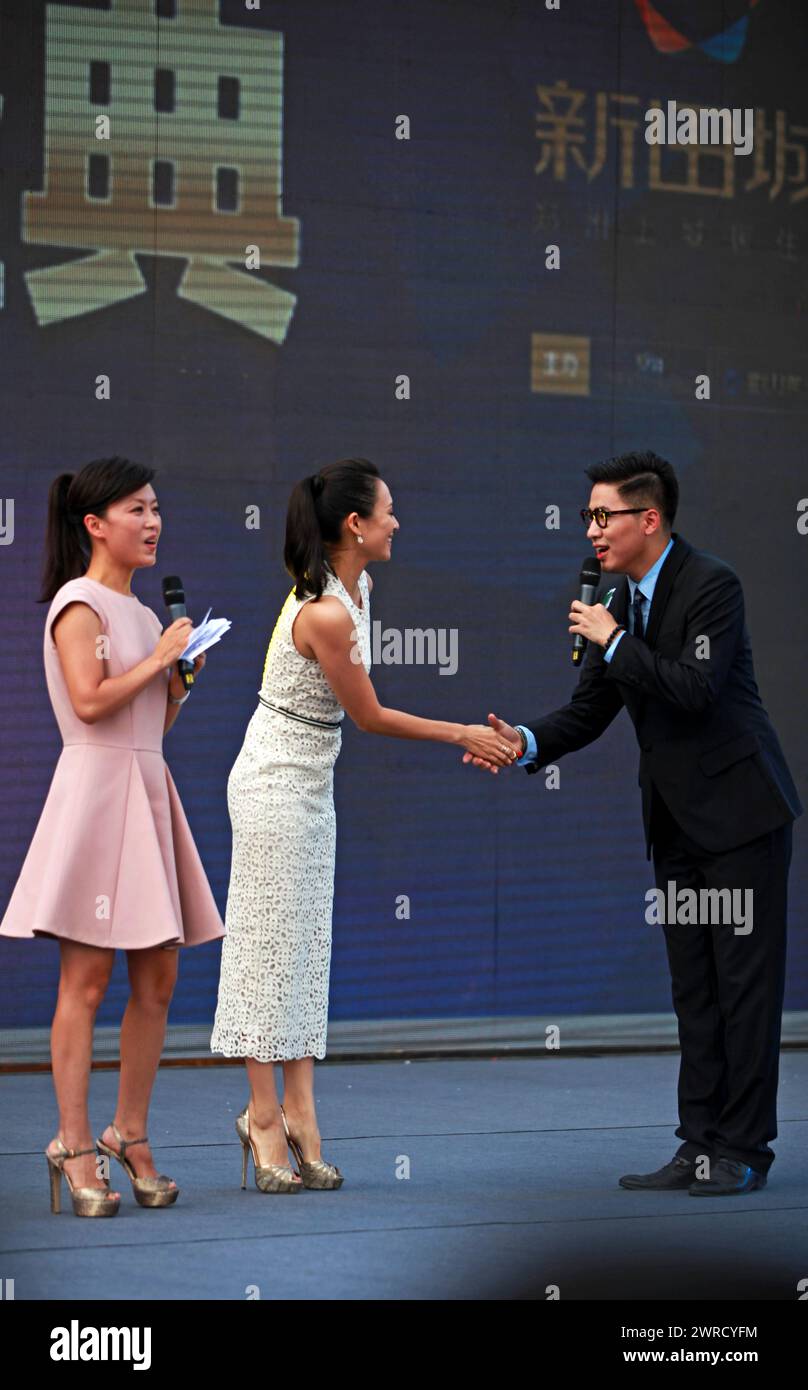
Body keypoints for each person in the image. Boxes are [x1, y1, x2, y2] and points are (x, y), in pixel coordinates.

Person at [464, 450, 802, 1195]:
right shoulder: (618, 604)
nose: (592, 530)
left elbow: (694, 690)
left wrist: (615, 641)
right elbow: (590, 712)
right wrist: (523, 741)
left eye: (604, 516)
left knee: (743, 989)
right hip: (678, 825)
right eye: (587, 517)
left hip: (743, 819)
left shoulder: (712, 585)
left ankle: (743, 1149)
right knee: (695, 989)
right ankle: (698, 1143)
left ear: (649, 520)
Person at [210, 457, 516, 1191]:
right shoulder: (324, 611)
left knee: (307, 946)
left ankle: (301, 1112)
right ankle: (261, 1116)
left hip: (312, 781)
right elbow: (371, 715)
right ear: (356, 524)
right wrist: (462, 733)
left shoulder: (360, 587)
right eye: (387, 511)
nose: (396, 523)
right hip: (274, 782)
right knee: (268, 945)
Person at [0, 457, 224, 1216]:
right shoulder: (78, 604)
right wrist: (160, 659)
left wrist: (176, 684)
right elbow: (91, 705)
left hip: (146, 789)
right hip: (97, 798)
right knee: (87, 983)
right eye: (136, 509)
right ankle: (71, 1144)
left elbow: (146, 726)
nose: (153, 521)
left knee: (157, 981)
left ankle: (128, 1134)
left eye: (156, 507)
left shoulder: (145, 616)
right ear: (95, 524)